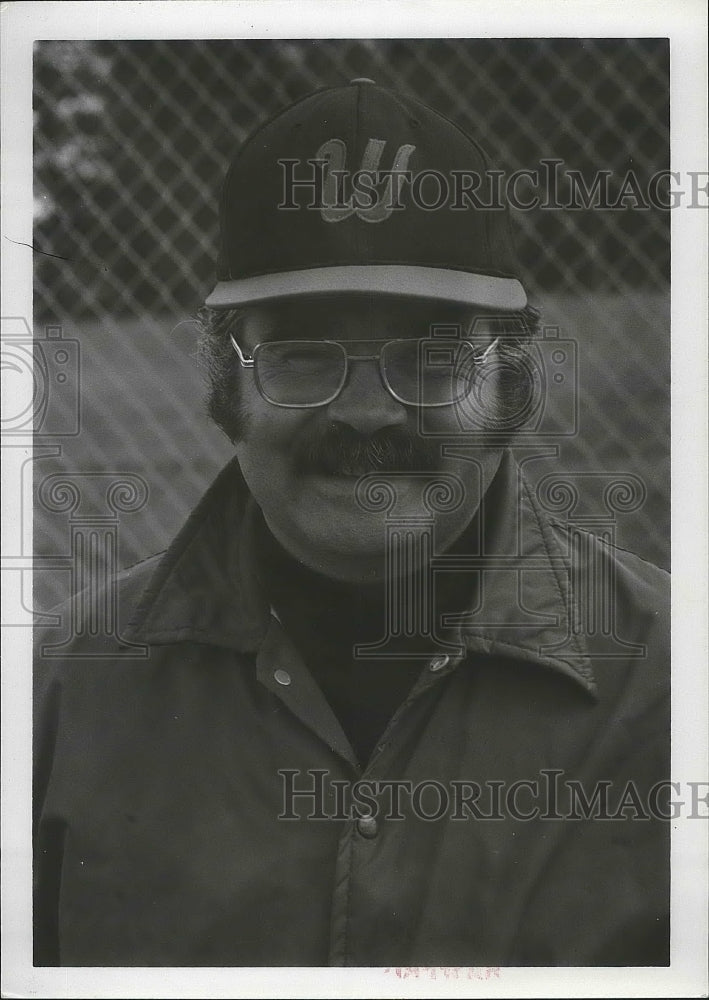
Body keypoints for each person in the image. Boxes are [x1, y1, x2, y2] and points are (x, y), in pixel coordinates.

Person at [33, 79, 670, 967]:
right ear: (228, 383)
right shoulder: (56, 694)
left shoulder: (674, 689)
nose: (367, 412)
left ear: (513, 382)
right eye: (301, 353)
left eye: (431, 356)